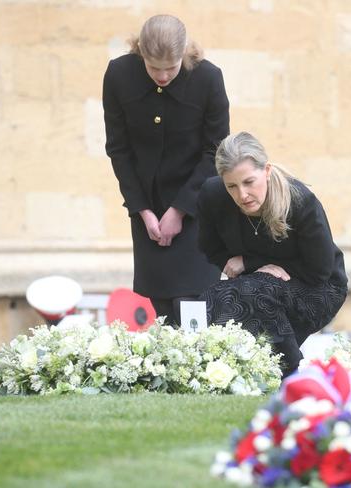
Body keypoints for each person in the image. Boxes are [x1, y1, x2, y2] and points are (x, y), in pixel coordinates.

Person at [103, 15, 230, 324]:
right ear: (140, 54)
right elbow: (118, 149)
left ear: (184, 53)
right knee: (161, 311)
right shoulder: (119, 75)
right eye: (153, 68)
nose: (162, 76)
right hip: (148, 212)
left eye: (171, 68)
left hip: (198, 209)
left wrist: (180, 210)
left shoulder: (208, 79)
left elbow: (215, 151)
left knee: (196, 309)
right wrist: (142, 209)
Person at [197, 132, 348, 377]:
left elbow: (319, 269)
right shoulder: (212, 196)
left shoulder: (300, 201)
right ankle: (236, 376)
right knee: (213, 297)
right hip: (257, 284)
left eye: (249, 182)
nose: (242, 195)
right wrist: (255, 269)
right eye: (231, 186)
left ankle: (293, 374)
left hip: (319, 287)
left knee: (250, 291)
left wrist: (252, 263)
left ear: (266, 170)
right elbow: (209, 247)